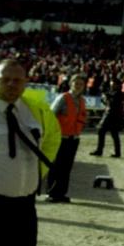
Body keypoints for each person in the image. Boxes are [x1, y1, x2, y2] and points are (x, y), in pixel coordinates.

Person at [0, 59, 60, 246]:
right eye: (5, 79)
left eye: (18, 79)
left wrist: (34, 179)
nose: (12, 84)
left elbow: (49, 143)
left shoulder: (35, 110)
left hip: (23, 207)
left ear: (26, 82)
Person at [46, 73, 88, 203]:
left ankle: (61, 193)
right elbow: (51, 115)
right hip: (61, 138)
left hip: (73, 139)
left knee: (67, 168)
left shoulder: (82, 101)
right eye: (76, 83)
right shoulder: (63, 98)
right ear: (71, 84)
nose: (78, 86)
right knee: (56, 166)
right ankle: (52, 193)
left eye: (81, 84)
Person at [89, 79, 124, 158]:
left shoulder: (118, 94)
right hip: (112, 115)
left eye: (113, 84)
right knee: (114, 134)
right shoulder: (114, 93)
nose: (111, 85)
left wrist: (105, 97)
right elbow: (106, 102)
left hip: (111, 115)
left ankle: (100, 150)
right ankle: (116, 152)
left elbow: (111, 103)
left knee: (102, 131)